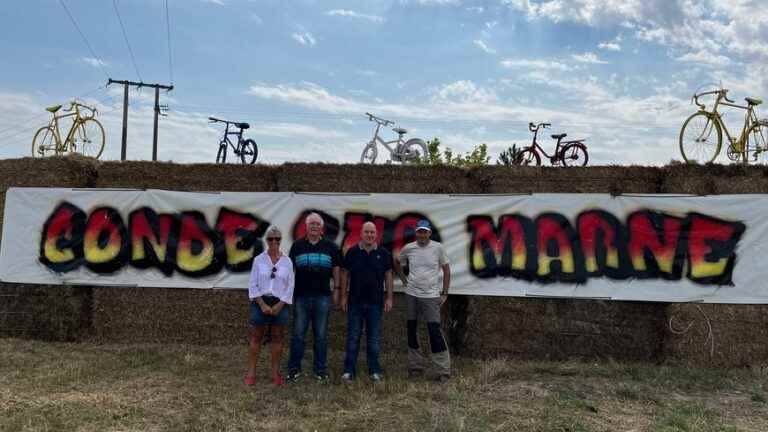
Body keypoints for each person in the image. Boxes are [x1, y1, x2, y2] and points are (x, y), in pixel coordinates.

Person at [394, 219, 452, 381]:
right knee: (412, 330)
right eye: (420, 231)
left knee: (434, 331)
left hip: (431, 296)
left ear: (429, 233)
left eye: (425, 231)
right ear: (416, 232)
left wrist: (445, 293)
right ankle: (415, 367)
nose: (422, 234)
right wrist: (404, 281)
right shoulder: (409, 248)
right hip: (412, 294)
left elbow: (447, 271)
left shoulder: (438, 248)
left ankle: (443, 370)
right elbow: (397, 262)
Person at [286, 212, 341, 382]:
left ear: (321, 227)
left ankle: (320, 370)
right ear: (306, 226)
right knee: (298, 335)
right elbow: (290, 271)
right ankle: (294, 369)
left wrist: (337, 289)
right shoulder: (297, 246)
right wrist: (287, 293)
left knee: (321, 336)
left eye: (317, 224)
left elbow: (337, 269)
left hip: (323, 297)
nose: (315, 226)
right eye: (312, 224)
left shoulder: (330, 246)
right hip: (301, 297)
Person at [340, 222, 394, 382]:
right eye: (366, 232)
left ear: (376, 234)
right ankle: (349, 371)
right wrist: (343, 297)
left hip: (375, 303)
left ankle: (374, 370)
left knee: (374, 339)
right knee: (353, 337)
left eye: (372, 232)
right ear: (361, 234)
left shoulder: (384, 254)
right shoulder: (352, 252)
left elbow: (389, 276)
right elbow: (345, 275)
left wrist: (390, 297)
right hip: (354, 302)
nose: (369, 235)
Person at [245, 226, 294, 388]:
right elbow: (252, 284)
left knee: (277, 338)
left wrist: (280, 304)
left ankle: (275, 373)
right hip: (261, 301)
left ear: (281, 241)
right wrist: (262, 304)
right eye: (271, 239)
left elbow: (290, 286)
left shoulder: (287, 261)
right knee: (256, 337)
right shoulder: (258, 260)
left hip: (280, 303)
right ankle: (251, 373)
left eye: (277, 239)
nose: (274, 242)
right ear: (266, 241)